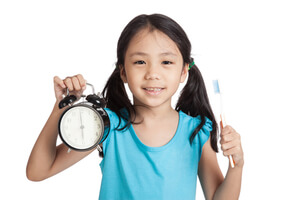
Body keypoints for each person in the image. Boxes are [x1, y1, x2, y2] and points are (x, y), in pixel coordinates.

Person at [26, 14, 244, 200]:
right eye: (140, 62)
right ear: (123, 72)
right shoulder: (106, 126)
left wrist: (237, 165)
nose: (152, 74)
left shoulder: (197, 131)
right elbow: (38, 171)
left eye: (166, 62)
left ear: (184, 72)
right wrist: (61, 107)